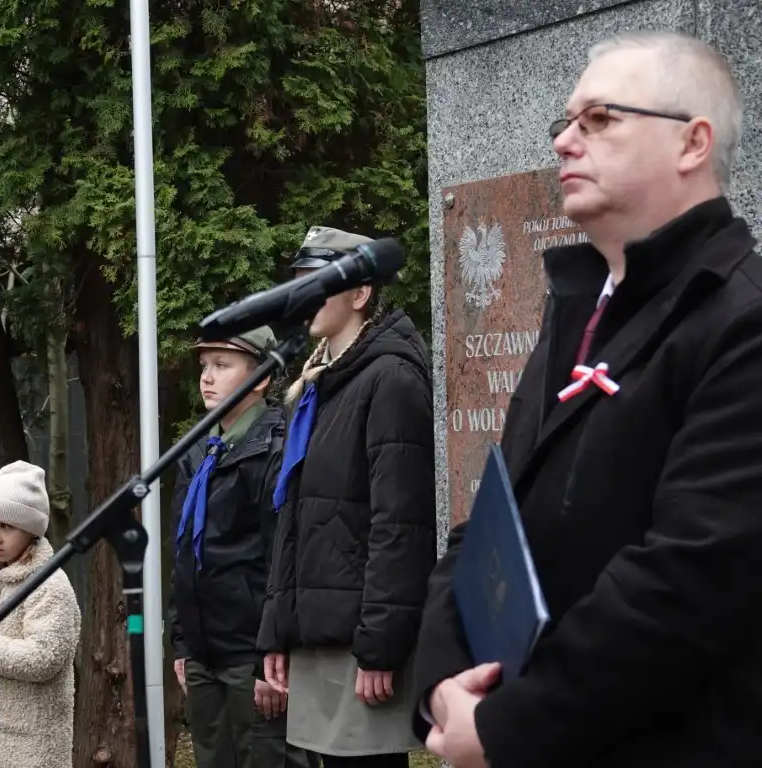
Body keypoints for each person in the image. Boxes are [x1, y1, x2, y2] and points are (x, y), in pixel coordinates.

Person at [413, 31, 762, 768]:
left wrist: (508, 728)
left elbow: (688, 584)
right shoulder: (576, 312)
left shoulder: (741, 321)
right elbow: (486, 528)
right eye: (564, 124)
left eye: (599, 119)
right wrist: (444, 685)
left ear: (692, 143)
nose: (566, 142)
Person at [257, 227, 436, 768]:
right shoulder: (318, 387)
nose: (302, 295)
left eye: (319, 282)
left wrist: (381, 644)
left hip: (359, 645)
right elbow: (294, 519)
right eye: (299, 283)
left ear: (360, 294)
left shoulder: (391, 379)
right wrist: (276, 630)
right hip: (317, 638)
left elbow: (400, 523)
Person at [168, 326, 312, 768]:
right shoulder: (198, 451)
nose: (207, 378)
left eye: (223, 365)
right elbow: (185, 556)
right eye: (205, 366)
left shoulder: (276, 448)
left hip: (253, 661)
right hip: (203, 655)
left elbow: (284, 561)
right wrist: (182, 643)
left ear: (262, 378)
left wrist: (272, 659)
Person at [0, 461, 81, 768]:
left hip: (31, 747)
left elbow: (43, 657)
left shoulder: (50, 584)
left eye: (6, 526)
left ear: (30, 528)